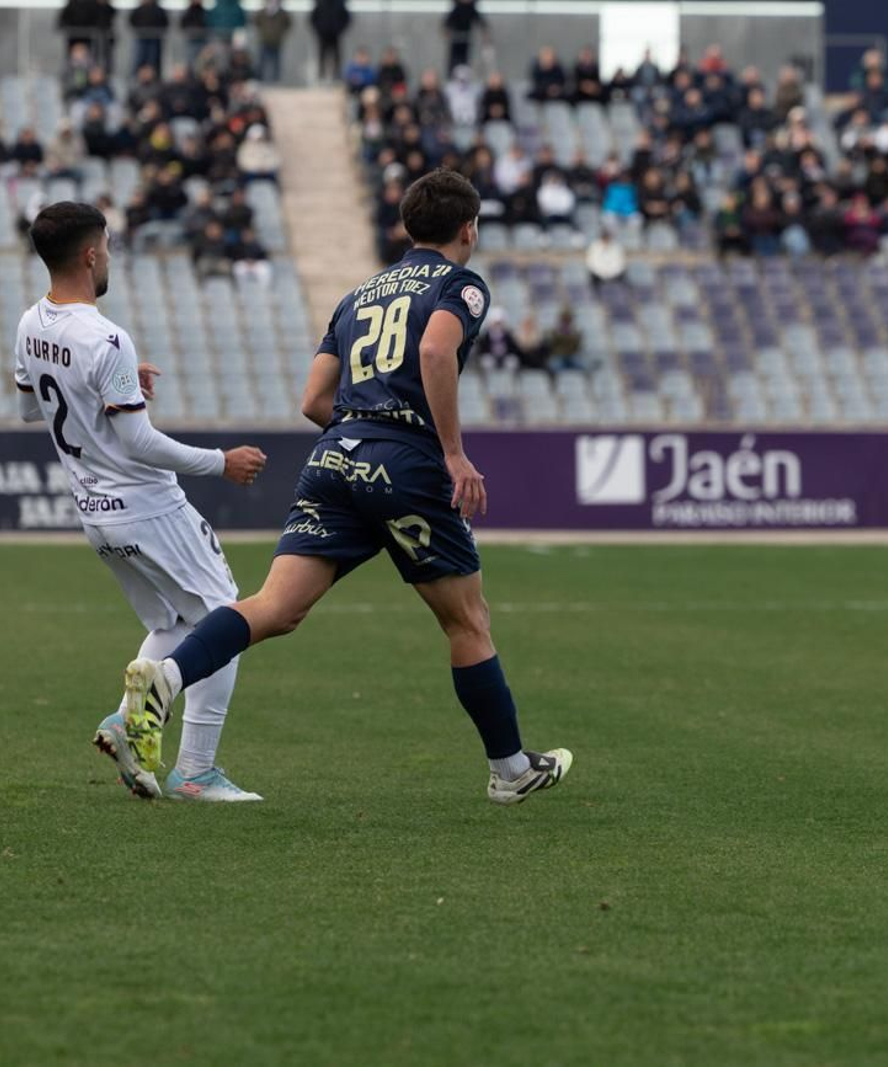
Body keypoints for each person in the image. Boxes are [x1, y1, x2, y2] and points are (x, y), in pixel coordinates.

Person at [116, 170, 573, 807]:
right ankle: (509, 769)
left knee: (274, 608)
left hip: (335, 456)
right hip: (406, 465)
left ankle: (167, 678)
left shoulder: (360, 294)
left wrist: (363, 434)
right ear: (469, 228)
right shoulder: (460, 285)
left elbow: (312, 400)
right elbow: (437, 354)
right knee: (468, 621)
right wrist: (450, 453)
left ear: (407, 227)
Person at [15, 202, 267, 801]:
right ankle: (197, 773)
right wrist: (219, 462)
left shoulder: (29, 322)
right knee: (226, 619)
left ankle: (122, 722)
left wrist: (112, 386)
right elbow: (139, 441)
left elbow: (32, 408)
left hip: (94, 513)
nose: (111, 256)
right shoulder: (106, 337)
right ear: (90, 254)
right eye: (108, 245)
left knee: (173, 622)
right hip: (148, 507)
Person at [253, 0, 292, 84]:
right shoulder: (262, 12)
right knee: (261, 61)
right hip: (264, 40)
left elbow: (288, 24)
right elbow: (256, 21)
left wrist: (281, 33)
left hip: (277, 41)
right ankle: (259, 79)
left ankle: (276, 80)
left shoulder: (282, 13)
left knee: (276, 62)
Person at [310, 0, 350, 82]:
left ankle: (337, 74)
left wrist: (340, 29)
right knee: (322, 55)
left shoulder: (339, 3)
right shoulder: (320, 3)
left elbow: (347, 18)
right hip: (323, 34)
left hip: (335, 34)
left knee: (337, 55)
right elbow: (312, 18)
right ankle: (321, 74)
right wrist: (319, 29)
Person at [128, 0, 167, 76]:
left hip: (154, 39)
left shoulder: (158, 10)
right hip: (141, 38)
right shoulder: (138, 10)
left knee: (152, 60)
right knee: (139, 59)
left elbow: (164, 22)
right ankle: (136, 77)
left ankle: (153, 77)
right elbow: (132, 20)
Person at [444, 0, 483, 75]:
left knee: (466, 60)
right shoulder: (456, 9)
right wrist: (447, 31)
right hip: (455, 40)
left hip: (468, 40)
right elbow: (447, 22)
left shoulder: (472, 9)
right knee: (454, 59)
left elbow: (481, 22)